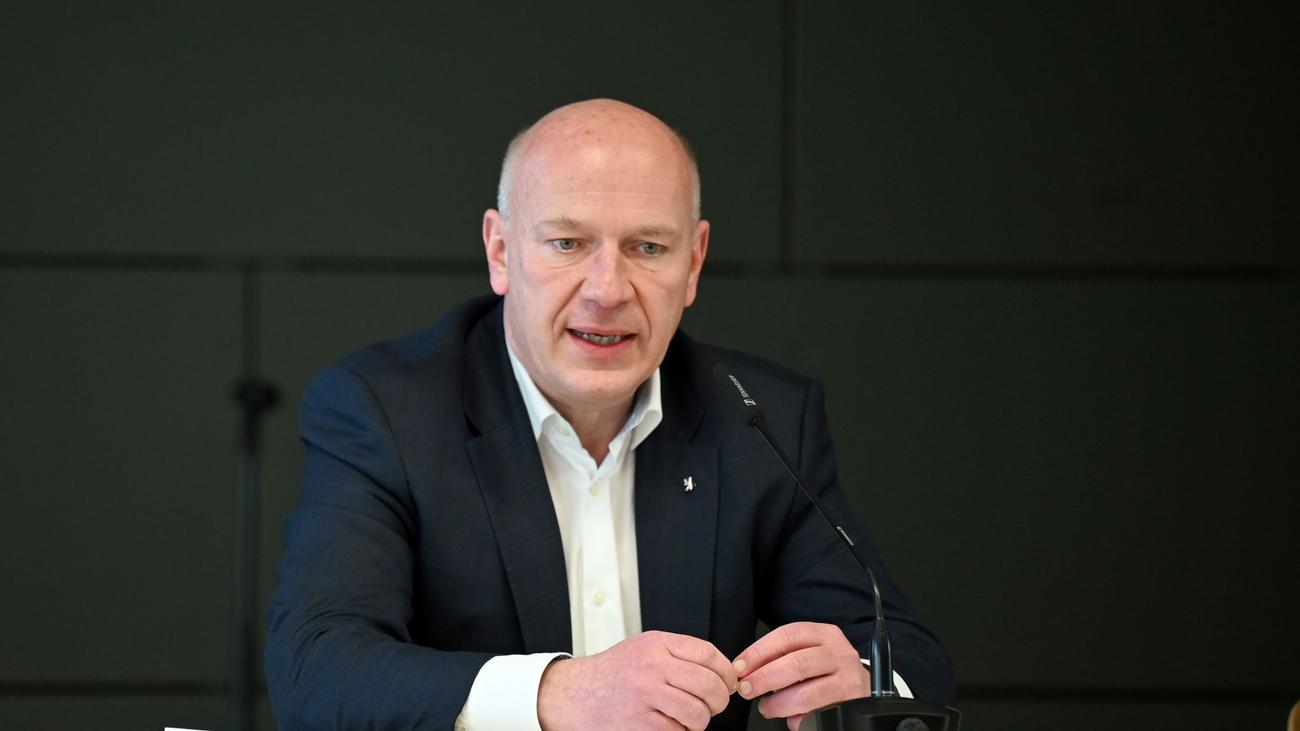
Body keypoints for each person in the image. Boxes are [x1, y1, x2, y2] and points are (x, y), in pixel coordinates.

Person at [265, 99, 953, 731]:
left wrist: (864, 682)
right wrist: (559, 692)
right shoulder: (386, 411)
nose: (607, 290)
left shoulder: (759, 417)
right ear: (500, 252)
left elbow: (909, 658)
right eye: (567, 244)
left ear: (694, 262)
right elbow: (316, 668)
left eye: (648, 248)